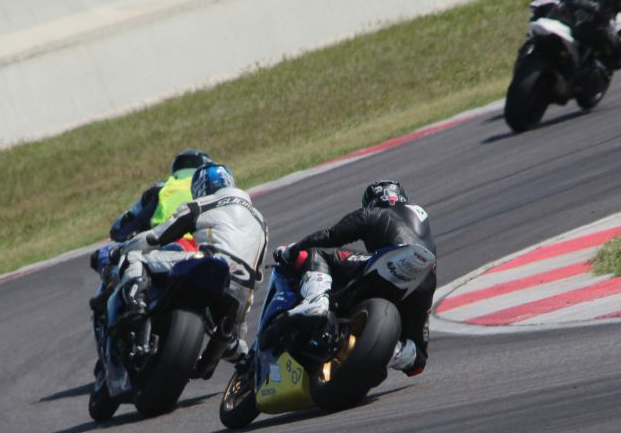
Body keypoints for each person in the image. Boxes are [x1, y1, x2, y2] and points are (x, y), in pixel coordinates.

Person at [92, 163, 267, 365]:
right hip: (243, 291)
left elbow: (154, 238)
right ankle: (249, 365)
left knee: (136, 258)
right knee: (233, 342)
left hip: (211, 265)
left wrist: (120, 251)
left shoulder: (201, 205)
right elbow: (259, 271)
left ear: (201, 187)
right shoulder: (260, 220)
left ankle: (136, 307)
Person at [276, 180, 436, 377]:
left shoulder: (373, 213)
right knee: (418, 359)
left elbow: (330, 236)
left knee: (316, 253)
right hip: (425, 281)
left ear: (371, 201)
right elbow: (417, 368)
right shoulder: (420, 216)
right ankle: (394, 352)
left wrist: (292, 250)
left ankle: (315, 301)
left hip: (390, 262)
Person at [108, 149, 214, 250]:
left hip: (167, 248)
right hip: (208, 245)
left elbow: (123, 227)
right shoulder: (215, 187)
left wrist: (118, 235)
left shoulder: (161, 189)